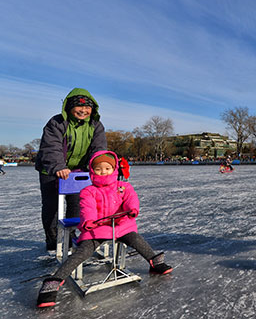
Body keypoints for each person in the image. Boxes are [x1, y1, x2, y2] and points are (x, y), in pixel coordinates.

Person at [36, 151, 172, 308]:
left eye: (107, 168)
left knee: (135, 238)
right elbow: (87, 207)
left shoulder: (123, 187)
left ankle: (154, 262)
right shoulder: (89, 191)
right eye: (98, 169)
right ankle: (54, 281)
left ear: (113, 170)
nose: (103, 172)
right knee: (83, 251)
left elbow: (131, 199)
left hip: (121, 225)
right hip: (96, 228)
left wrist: (132, 209)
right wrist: (89, 221)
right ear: (92, 171)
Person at [35, 88, 107, 252]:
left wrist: (98, 166)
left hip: (78, 172)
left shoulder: (96, 125)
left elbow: (98, 148)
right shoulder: (57, 122)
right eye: (79, 106)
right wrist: (59, 166)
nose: (84, 110)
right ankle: (52, 238)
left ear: (93, 108)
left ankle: (69, 235)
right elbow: (51, 147)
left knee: (77, 204)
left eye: (87, 107)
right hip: (51, 171)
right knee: (51, 206)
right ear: (69, 107)